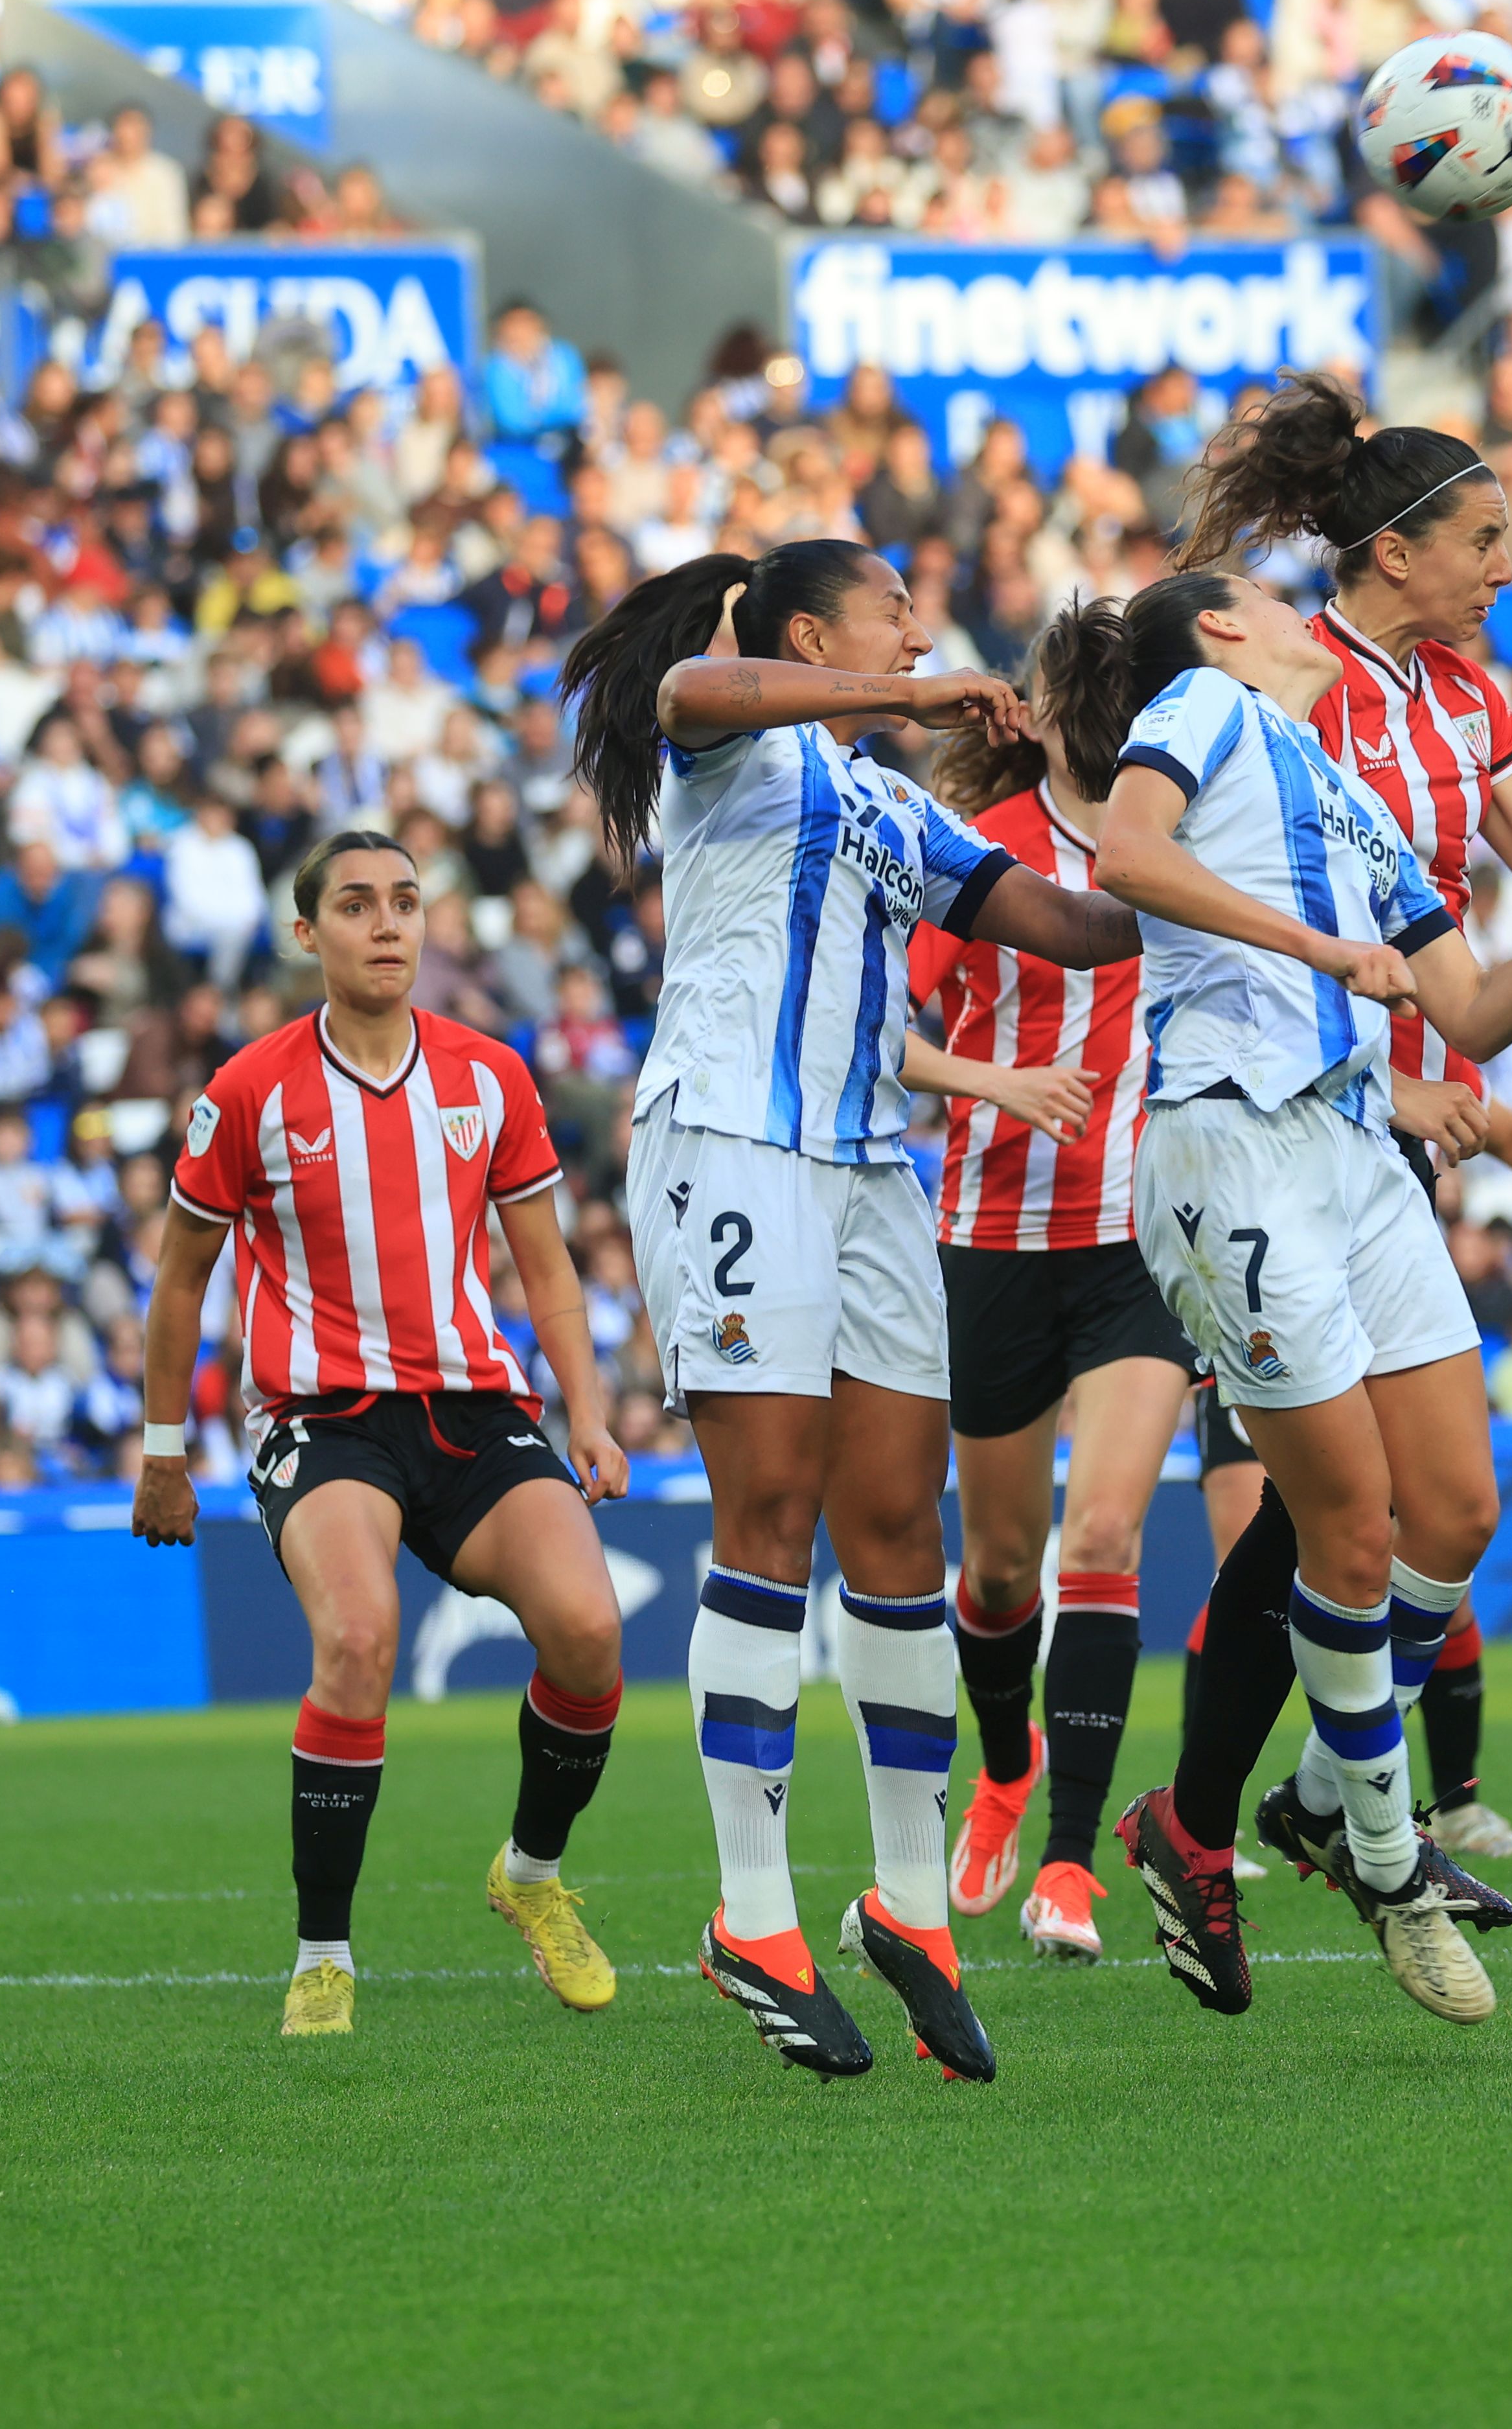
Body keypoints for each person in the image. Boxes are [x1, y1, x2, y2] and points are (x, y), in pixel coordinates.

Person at [560, 540, 1138, 2082]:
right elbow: (693, 680)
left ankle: (906, 1906)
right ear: (820, 631)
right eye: (888, 602)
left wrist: (1163, 856)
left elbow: (1069, 925)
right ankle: (754, 1914)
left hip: (875, 1168)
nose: (915, 619)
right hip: (735, 1142)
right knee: (770, 1511)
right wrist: (911, 688)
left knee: (900, 1529)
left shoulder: (897, 810)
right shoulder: (727, 750)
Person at [1073, 566, 1512, 2026]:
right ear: (1221, 626)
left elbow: (1467, 1012)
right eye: (1272, 596)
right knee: (1344, 1525)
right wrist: (1316, 947)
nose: (1297, 612)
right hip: (1233, 1140)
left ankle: (1319, 1800)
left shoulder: (1353, 792)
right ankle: (1391, 1865)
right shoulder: (1201, 706)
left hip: (1355, 1145)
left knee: (1455, 1505)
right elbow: (1125, 859)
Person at [1167, 370, 1512, 1864]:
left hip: (1388, 1131)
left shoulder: (1469, 703)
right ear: (1397, 552)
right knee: (1307, 1514)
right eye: (1485, 539)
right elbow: (1187, 879)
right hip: (1261, 1115)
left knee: (1411, 1513)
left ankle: (1298, 1797)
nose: (1509, 567)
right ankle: (1243, 1820)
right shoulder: (1285, 684)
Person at [128, 827, 636, 2038]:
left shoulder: (488, 1076)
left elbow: (548, 1271)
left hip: (470, 1405)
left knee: (588, 1631)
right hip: (325, 1418)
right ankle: (324, 1955)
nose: (389, 924)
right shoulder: (248, 1091)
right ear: (308, 935)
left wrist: (591, 1412)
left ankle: (530, 1877)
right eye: (356, 906)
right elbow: (179, 1283)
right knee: (357, 1638)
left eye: (406, 902)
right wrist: (161, 1449)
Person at [897, 673, 1184, 1964]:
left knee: (1107, 1528)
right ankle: (1004, 1763)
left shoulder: (1191, 840)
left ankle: (1070, 1861)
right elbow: (874, 1025)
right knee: (1001, 1566)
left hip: (1144, 1240)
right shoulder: (984, 852)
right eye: (1098, 704)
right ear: (1054, 717)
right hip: (994, 1241)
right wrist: (993, 1078)